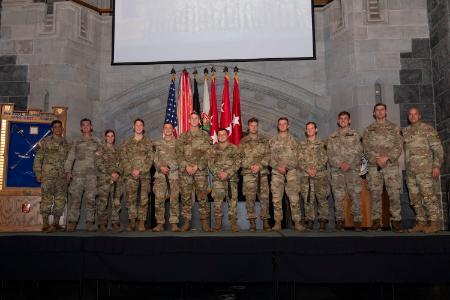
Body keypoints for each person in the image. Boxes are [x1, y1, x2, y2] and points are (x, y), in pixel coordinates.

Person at [362, 103, 403, 232]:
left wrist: (387, 157)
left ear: (386, 112)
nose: (380, 112)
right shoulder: (368, 130)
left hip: (391, 165)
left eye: (382, 110)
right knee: (375, 194)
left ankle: (396, 221)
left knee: (394, 194)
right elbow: (366, 148)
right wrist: (376, 159)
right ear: (374, 113)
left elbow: (399, 145)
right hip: (374, 167)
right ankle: (376, 222)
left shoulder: (394, 128)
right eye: (377, 110)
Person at [403, 107, 444, 233]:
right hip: (410, 172)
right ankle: (421, 222)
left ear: (419, 116)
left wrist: (436, 165)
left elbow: (438, 149)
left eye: (415, 114)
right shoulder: (405, 131)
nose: (412, 116)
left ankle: (434, 223)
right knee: (414, 197)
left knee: (428, 196)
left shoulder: (428, 129)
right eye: (410, 114)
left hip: (425, 170)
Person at [175, 112, 212, 232]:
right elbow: (178, 153)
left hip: (200, 171)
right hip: (185, 172)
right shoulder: (182, 137)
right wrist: (186, 166)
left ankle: (205, 223)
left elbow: (209, 153)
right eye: (192, 118)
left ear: (199, 121)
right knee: (186, 197)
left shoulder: (205, 136)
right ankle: (186, 223)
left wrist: (197, 166)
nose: (194, 120)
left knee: (202, 197)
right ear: (189, 121)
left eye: (196, 118)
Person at [327, 111, 363, 231]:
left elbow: (358, 151)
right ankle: (339, 221)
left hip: (352, 170)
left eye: (345, 118)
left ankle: (357, 221)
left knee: (355, 195)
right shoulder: (332, 137)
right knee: (338, 197)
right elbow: (330, 154)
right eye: (341, 119)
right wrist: (340, 164)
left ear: (349, 121)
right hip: (337, 171)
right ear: (338, 121)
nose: (343, 120)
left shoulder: (355, 135)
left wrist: (348, 163)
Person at [65, 118, 102, 232]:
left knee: (91, 199)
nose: (86, 127)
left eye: (88, 125)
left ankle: (89, 223)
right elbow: (70, 157)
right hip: (78, 175)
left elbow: (102, 157)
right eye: (83, 125)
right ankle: (72, 222)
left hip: (92, 175)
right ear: (81, 128)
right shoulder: (76, 141)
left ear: (91, 127)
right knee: (76, 199)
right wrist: (68, 171)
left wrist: (99, 156)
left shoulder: (97, 141)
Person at [33, 120, 69, 232]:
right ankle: (45, 224)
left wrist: (68, 173)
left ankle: (56, 223)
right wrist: (38, 173)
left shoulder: (66, 143)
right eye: (55, 127)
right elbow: (38, 158)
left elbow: (69, 160)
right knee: (46, 199)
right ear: (52, 129)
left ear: (62, 129)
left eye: (59, 127)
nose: (57, 129)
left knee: (60, 200)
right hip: (48, 175)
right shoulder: (45, 142)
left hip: (61, 177)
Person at [269, 117, 304, 231]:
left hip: (292, 172)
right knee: (276, 198)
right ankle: (278, 222)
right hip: (276, 172)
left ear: (288, 126)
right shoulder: (272, 141)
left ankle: (297, 222)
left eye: (285, 124)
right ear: (278, 126)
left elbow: (299, 157)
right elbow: (269, 157)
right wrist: (278, 167)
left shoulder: (294, 141)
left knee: (294, 198)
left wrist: (287, 167)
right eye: (280, 124)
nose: (282, 126)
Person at [121, 118, 154, 232]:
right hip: (130, 175)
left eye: (141, 125)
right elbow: (124, 158)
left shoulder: (148, 142)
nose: (139, 127)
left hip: (144, 175)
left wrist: (141, 170)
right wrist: (131, 170)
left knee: (144, 200)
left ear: (143, 128)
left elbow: (150, 158)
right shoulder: (127, 142)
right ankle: (132, 222)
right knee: (131, 199)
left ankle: (141, 222)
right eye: (137, 125)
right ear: (133, 127)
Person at [208, 128, 242, 232]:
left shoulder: (234, 148)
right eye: (219, 135)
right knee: (217, 202)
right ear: (217, 136)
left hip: (231, 179)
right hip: (218, 179)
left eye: (223, 134)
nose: (221, 136)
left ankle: (233, 224)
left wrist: (228, 173)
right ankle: (218, 224)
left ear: (227, 135)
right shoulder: (213, 149)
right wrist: (219, 173)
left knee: (233, 202)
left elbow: (238, 162)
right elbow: (210, 163)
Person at [240, 117, 271, 231]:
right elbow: (240, 158)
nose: (253, 127)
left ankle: (266, 222)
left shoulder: (264, 141)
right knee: (250, 198)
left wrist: (260, 165)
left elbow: (268, 155)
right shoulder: (243, 142)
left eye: (255, 125)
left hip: (262, 173)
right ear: (248, 127)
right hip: (248, 174)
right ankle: (252, 223)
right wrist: (250, 166)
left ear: (258, 127)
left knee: (264, 198)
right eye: (251, 125)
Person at [298, 122, 329, 231]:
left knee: (322, 198)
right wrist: (308, 169)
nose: (310, 130)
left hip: (320, 175)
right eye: (308, 129)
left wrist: (316, 169)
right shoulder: (301, 145)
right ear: (306, 131)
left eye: (312, 128)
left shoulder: (322, 143)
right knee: (307, 199)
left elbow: (325, 158)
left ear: (316, 129)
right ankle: (309, 221)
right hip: (306, 176)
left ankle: (322, 221)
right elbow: (299, 160)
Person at [152, 123, 180, 232]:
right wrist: (161, 167)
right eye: (166, 128)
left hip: (173, 175)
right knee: (159, 199)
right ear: (163, 130)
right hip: (160, 175)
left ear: (173, 130)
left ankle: (174, 223)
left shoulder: (178, 143)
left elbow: (181, 158)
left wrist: (170, 167)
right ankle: (159, 223)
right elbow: (154, 158)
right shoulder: (157, 143)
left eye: (170, 128)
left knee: (174, 199)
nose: (168, 130)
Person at [95, 129, 123, 232]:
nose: (110, 138)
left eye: (112, 136)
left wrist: (117, 173)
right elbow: (98, 164)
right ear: (105, 137)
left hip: (117, 181)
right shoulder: (100, 150)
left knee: (116, 202)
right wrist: (110, 173)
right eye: (108, 136)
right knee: (103, 203)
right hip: (104, 180)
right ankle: (102, 223)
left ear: (114, 138)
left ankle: (115, 223)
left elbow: (122, 164)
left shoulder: (118, 150)